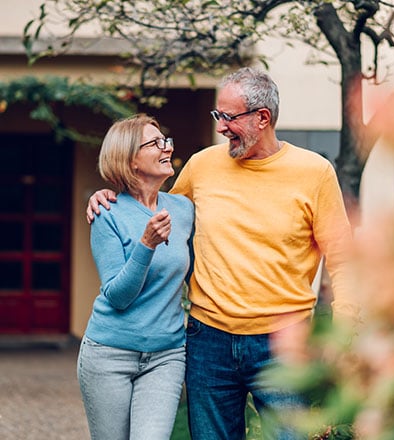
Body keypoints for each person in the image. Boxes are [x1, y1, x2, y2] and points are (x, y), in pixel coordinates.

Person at [86, 68, 358, 440]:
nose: (220, 127)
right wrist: (109, 195)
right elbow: (151, 207)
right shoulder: (202, 165)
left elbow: (343, 257)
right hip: (207, 341)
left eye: (229, 117)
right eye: (218, 116)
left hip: (283, 344)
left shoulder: (314, 172)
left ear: (262, 118)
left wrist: (340, 332)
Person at [78, 114, 194, 440]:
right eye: (155, 143)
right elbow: (118, 295)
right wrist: (147, 244)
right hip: (109, 354)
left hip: (166, 355)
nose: (166, 148)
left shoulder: (184, 210)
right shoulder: (106, 214)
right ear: (130, 160)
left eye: (166, 141)